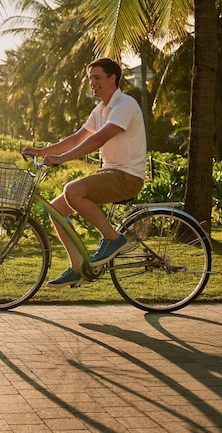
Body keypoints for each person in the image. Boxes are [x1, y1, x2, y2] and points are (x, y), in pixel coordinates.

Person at [21, 57, 147, 288]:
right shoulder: (100, 110)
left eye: (98, 78)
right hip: (110, 173)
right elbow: (78, 138)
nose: (93, 83)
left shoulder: (124, 105)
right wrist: (42, 151)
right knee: (56, 208)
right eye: (91, 79)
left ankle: (113, 238)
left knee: (73, 190)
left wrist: (60, 159)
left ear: (113, 78)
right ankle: (78, 267)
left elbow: (99, 139)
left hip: (128, 177)